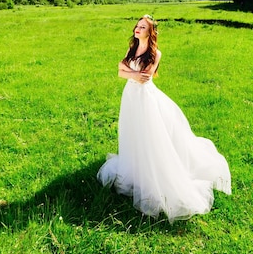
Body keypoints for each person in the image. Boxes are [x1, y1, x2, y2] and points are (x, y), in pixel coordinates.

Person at [97, 15, 231, 223]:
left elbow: (145, 77)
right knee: (132, 130)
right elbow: (120, 71)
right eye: (137, 25)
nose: (138, 29)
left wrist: (128, 73)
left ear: (150, 33)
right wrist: (129, 74)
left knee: (150, 133)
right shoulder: (131, 50)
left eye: (143, 27)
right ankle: (135, 162)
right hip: (130, 97)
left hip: (145, 97)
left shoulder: (155, 53)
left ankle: (153, 168)